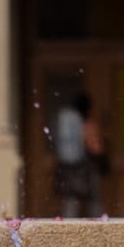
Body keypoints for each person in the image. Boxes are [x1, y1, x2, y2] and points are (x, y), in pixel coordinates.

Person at [51, 91, 104, 219]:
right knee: (94, 202)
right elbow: (95, 148)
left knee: (70, 202)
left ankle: (67, 229)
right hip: (84, 169)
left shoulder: (64, 119)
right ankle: (101, 228)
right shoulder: (85, 123)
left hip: (66, 168)